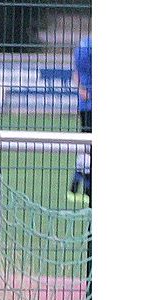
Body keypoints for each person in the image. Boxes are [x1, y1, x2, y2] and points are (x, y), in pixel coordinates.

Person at [68, 35, 92, 204]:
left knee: (87, 145)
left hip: (85, 104)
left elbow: (75, 74)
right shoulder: (90, 47)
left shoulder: (83, 45)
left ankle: (76, 186)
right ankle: (86, 187)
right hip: (92, 104)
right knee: (90, 147)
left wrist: (81, 88)